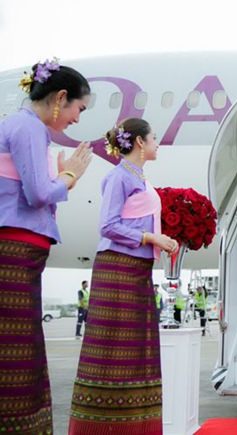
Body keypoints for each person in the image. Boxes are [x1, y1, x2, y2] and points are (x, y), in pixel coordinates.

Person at [68, 118, 178, 434]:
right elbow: (108, 226)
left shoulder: (138, 177)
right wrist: (150, 238)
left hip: (137, 271)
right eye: (154, 137)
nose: (158, 142)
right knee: (112, 355)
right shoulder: (118, 177)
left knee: (137, 355)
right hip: (118, 269)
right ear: (140, 142)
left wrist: (161, 238)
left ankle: (135, 425)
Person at [0, 58, 92, 434]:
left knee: (21, 349)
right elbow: (38, 193)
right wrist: (70, 175)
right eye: (78, 109)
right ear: (61, 98)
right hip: (16, 248)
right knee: (17, 355)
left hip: (21, 250)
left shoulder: (25, 126)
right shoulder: (30, 128)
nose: (76, 119)